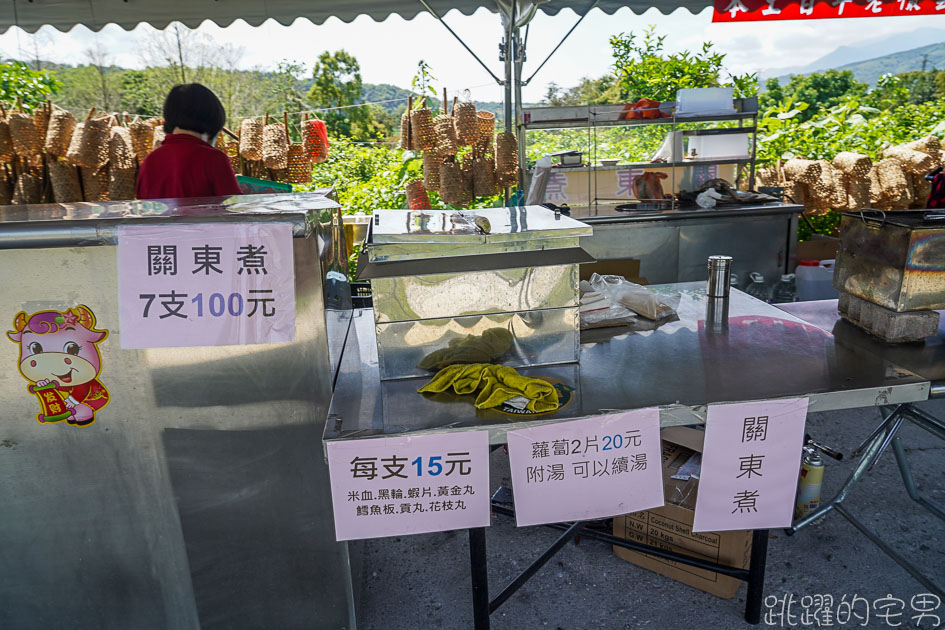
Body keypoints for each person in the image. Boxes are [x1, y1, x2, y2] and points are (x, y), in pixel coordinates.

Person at [136, 83, 242, 200]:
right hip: (206, 219)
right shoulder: (213, 159)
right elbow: (233, 208)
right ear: (212, 119)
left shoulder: (150, 161)